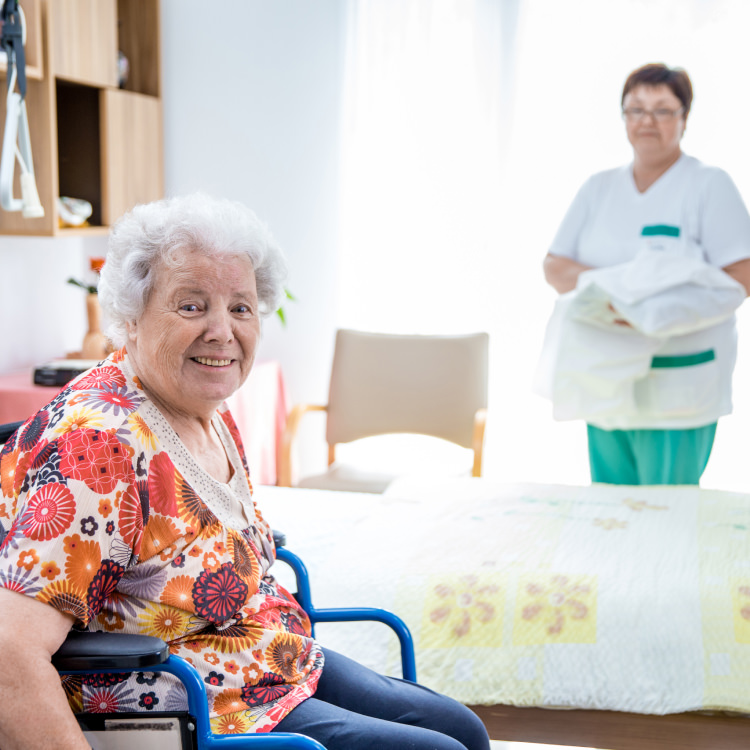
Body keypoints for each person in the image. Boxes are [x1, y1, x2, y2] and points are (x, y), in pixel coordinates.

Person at [0, 194, 490, 750]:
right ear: (130, 318)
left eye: (240, 307)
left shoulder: (204, 405)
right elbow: (9, 654)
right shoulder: (96, 447)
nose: (221, 332)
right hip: (187, 702)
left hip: (264, 654)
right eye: (191, 306)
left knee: (462, 731)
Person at [542, 63, 750, 485]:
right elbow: (556, 266)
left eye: (662, 109)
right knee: (611, 518)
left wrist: (647, 310)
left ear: (684, 119)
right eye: (635, 109)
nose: (647, 121)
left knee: (668, 522)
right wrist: (619, 295)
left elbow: (740, 277)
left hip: (679, 386)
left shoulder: (709, 185)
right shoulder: (597, 188)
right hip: (602, 379)